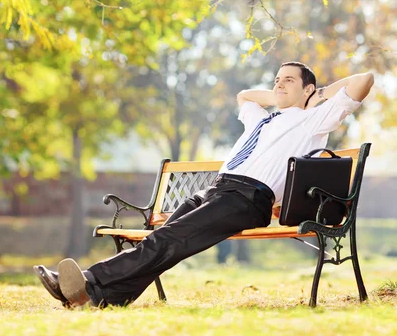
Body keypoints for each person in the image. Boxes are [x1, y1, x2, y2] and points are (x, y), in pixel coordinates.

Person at [34, 61, 374, 308]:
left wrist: (318, 96)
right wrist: (281, 95)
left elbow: (364, 80)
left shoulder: (314, 120)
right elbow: (244, 97)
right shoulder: (264, 118)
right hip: (215, 190)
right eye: (276, 80)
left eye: (289, 80)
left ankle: (89, 280)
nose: (279, 85)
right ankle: (102, 298)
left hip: (247, 198)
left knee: (168, 238)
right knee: (164, 240)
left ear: (308, 88)